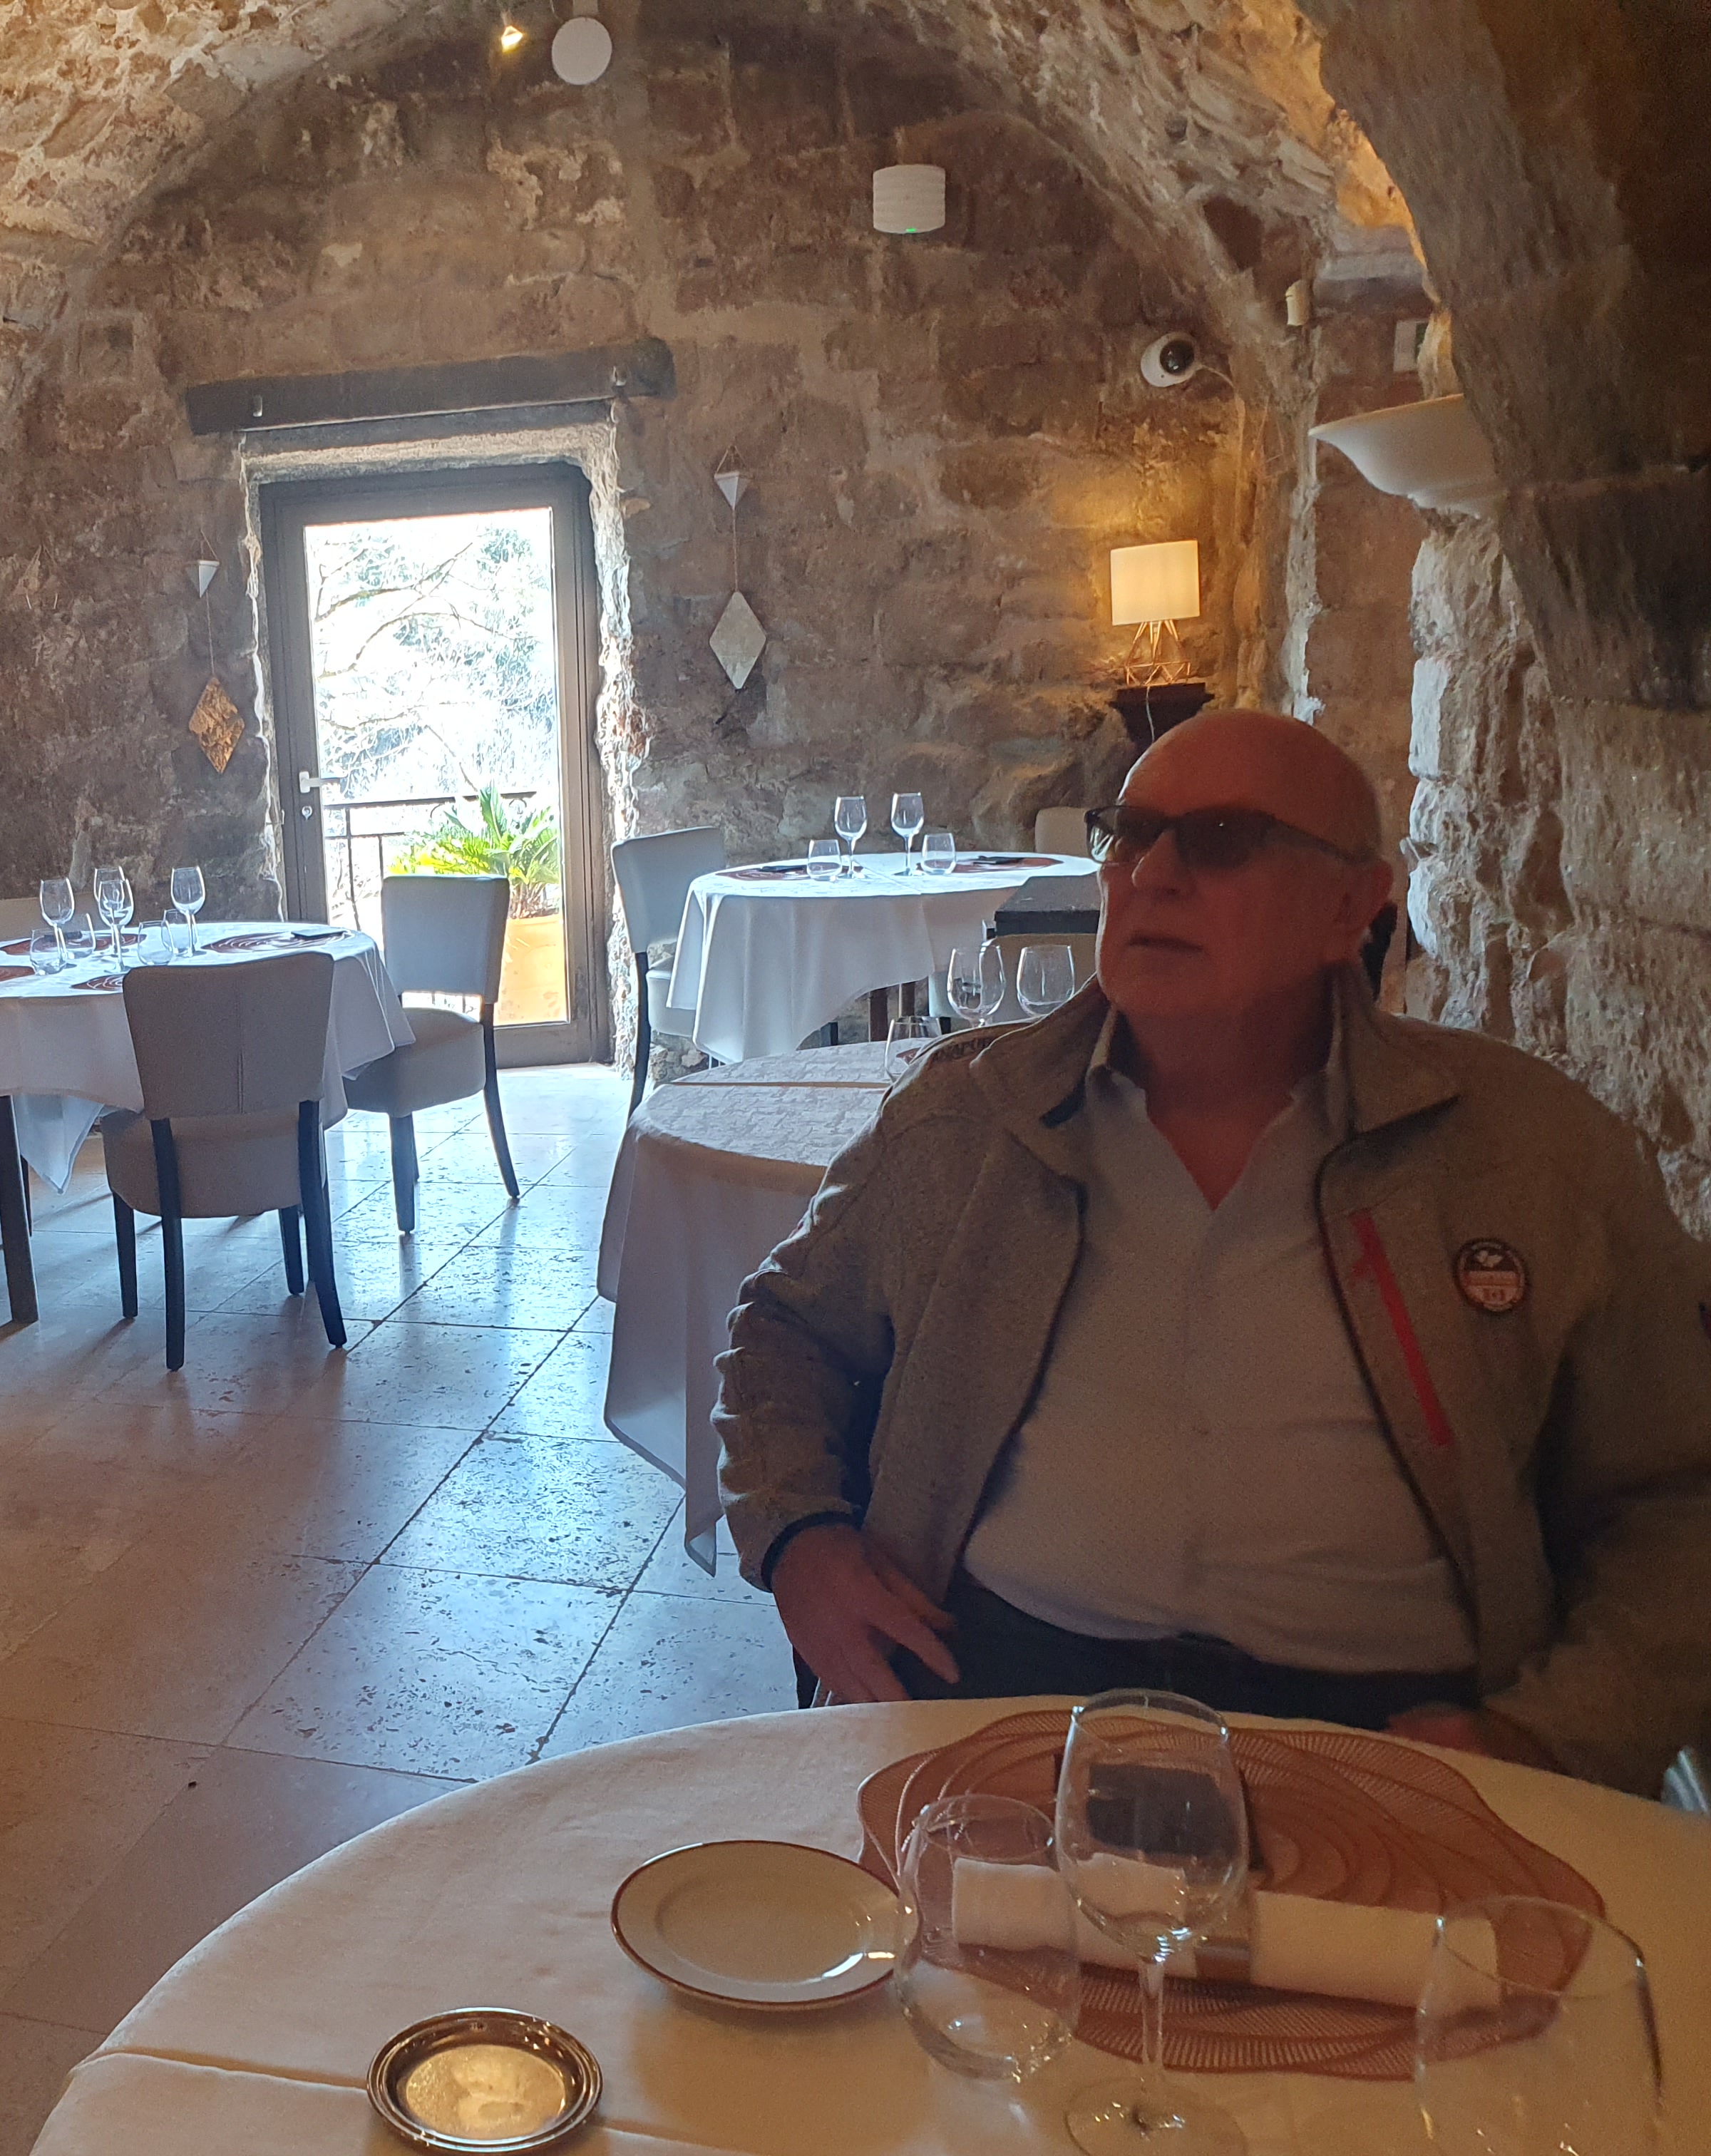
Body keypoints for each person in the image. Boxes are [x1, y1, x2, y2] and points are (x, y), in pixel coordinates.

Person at [713, 709, 1711, 1793]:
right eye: (1132, 835)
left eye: (1224, 841)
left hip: (1390, 1733)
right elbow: (785, 1330)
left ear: (1352, 907)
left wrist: (1541, 1738)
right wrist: (802, 1540)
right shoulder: (968, 1122)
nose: (1154, 875)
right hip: (996, 1687)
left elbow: (1675, 1500)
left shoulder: (1528, 1156)